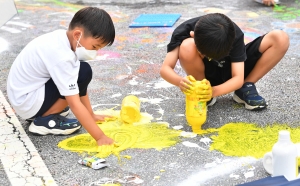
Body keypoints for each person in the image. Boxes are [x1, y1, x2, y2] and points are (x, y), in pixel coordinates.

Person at [7, 7, 115, 146]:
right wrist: (100, 137)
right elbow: (74, 102)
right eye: (95, 47)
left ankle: (48, 109)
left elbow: (78, 83)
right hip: (27, 102)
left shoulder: (62, 38)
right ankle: (44, 119)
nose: (96, 52)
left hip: (25, 94)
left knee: (83, 71)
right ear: (77, 35)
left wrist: (90, 115)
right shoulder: (62, 57)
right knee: (81, 74)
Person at [160, 13, 289, 111]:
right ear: (194, 35)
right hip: (206, 76)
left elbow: (237, 78)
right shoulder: (184, 32)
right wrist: (180, 82)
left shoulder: (232, 33)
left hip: (234, 70)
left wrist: (214, 91)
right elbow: (165, 68)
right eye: (205, 54)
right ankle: (203, 92)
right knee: (187, 46)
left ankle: (245, 87)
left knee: (280, 38)